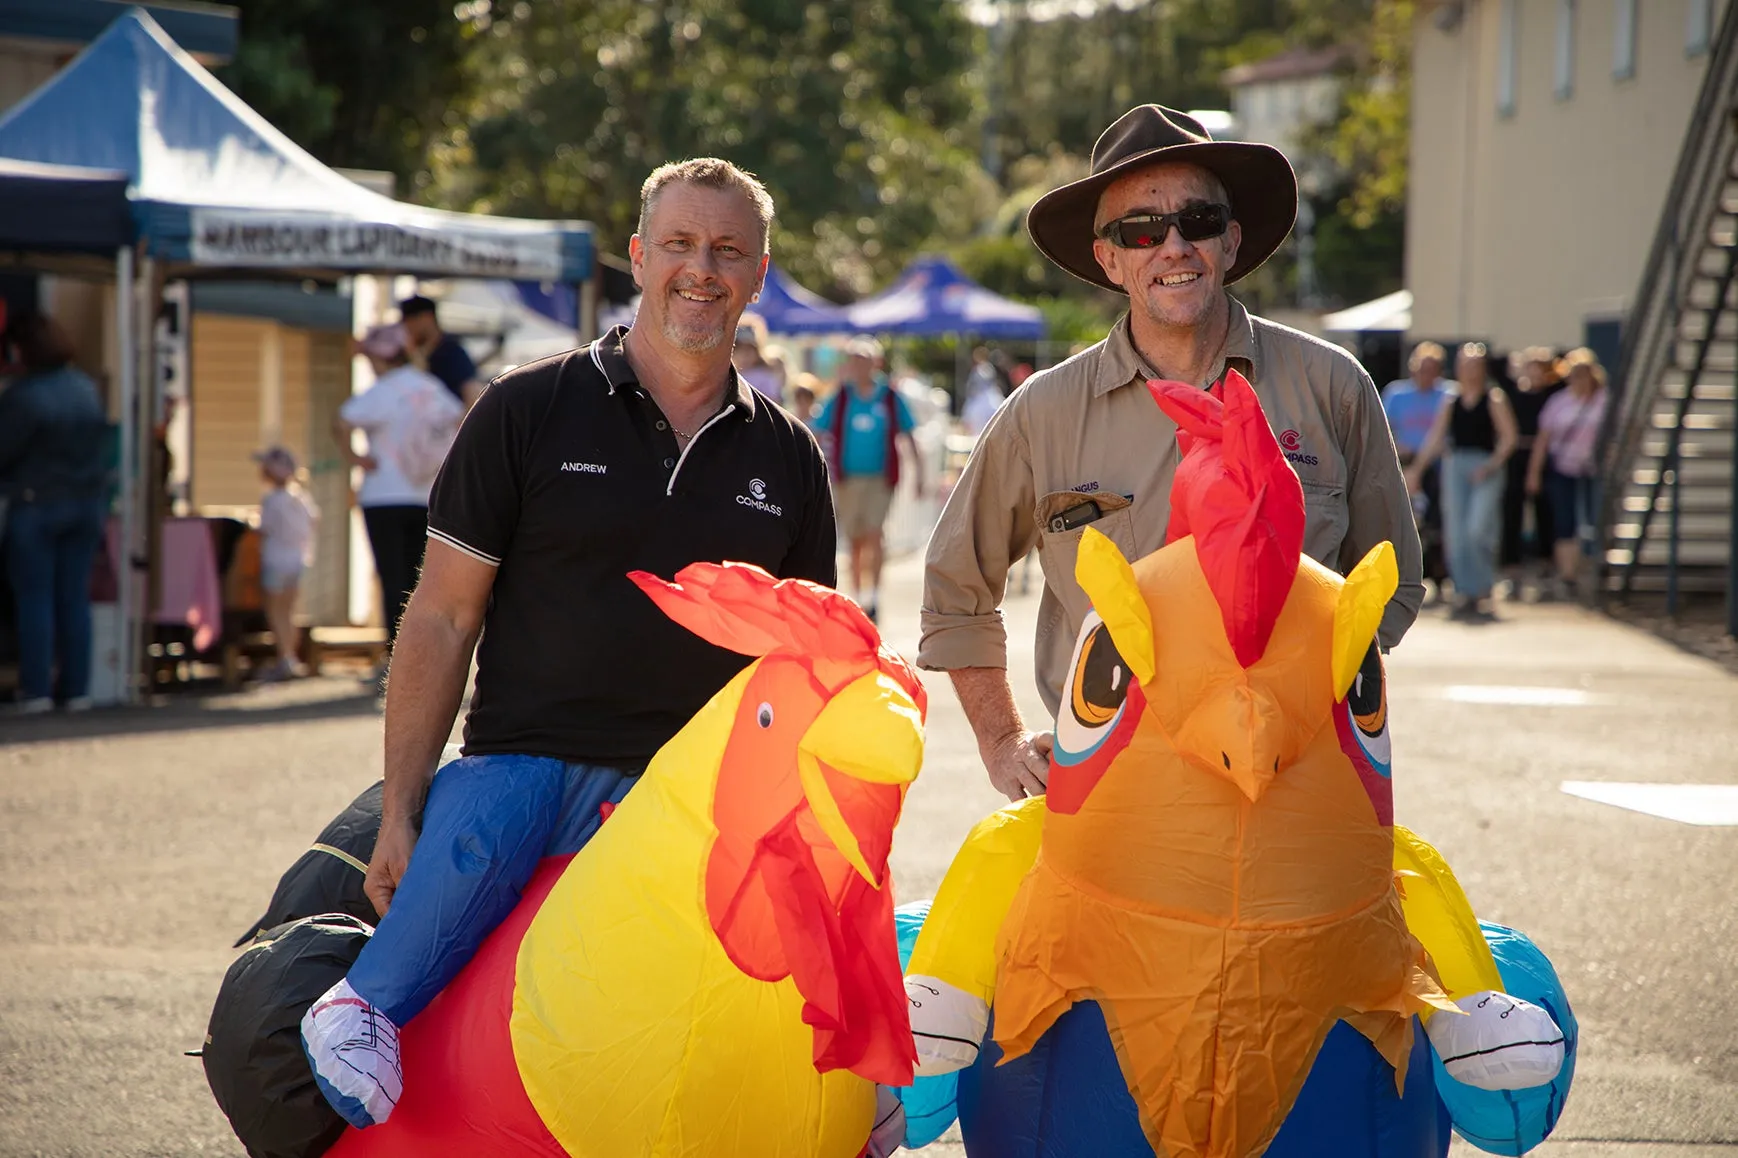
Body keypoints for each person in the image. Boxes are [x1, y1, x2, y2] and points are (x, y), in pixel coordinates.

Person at [301, 157, 837, 1129]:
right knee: (470, 835)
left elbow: (804, 669)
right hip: (521, 762)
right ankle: (361, 1006)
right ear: (638, 256)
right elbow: (441, 615)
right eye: (678, 244)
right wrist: (397, 810)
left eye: (727, 251)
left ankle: (846, 1077)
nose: (700, 270)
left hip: (688, 793)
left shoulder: (790, 456)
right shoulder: (526, 407)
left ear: (760, 274)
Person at [919, 104, 1423, 802]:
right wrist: (1002, 742)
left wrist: (1311, 703)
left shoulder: (1332, 387)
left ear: (1232, 241)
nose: (1174, 246)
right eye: (1142, 230)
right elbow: (955, 590)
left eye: (1200, 221)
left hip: (1292, 782)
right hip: (1114, 792)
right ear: (1109, 258)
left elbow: (1388, 583)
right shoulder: (1044, 412)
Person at [332, 323, 463, 685]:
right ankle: (428, 661)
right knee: (423, 582)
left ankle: (395, 661)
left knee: (393, 579)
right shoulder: (430, 387)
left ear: (380, 356)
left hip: (383, 496)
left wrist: (355, 458)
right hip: (428, 496)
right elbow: (459, 417)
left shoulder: (382, 391)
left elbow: (341, 420)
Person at [0, 314, 109, 715]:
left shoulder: (22, 396)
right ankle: (77, 689)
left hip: (36, 503)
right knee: (73, 598)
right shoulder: (85, 388)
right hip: (86, 503)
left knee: (35, 599)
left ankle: (37, 689)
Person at [1405, 343, 1519, 621]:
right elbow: (1436, 437)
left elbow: (1509, 437)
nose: (1469, 371)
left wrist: (1490, 465)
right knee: (1456, 530)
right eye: (1465, 365)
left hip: (1484, 466)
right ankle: (1464, 590)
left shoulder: (1493, 398)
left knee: (1478, 528)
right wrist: (1417, 471)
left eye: (1475, 365)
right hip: (1455, 466)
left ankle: (1483, 585)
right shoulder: (1451, 399)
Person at [819, 337, 920, 623]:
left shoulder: (888, 396)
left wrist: (922, 474)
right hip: (847, 479)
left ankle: (873, 596)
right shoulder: (841, 397)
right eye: (854, 360)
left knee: (876, 534)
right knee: (856, 540)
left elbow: (908, 433)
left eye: (863, 360)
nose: (858, 366)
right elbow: (817, 429)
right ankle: (860, 594)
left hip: (880, 479)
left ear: (875, 363)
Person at [1527, 347, 1609, 600]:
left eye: (1583, 374)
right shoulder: (1558, 402)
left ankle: (1594, 572)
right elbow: (1543, 440)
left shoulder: (1605, 401)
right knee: (1565, 522)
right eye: (1574, 375)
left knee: (1595, 520)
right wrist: (1534, 473)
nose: (1578, 380)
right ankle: (1568, 576)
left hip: (1594, 470)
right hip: (1562, 468)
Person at [1382, 341, 1455, 597]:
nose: (1425, 375)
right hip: (1404, 462)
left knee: (1437, 521)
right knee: (1402, 519)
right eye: (1421, 369)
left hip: (1438, 465)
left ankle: (1439, 576)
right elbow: (1385, 427)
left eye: (1431, 369)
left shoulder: (1448, 395)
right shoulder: (1396, 394)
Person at [251, 446, 317, 683]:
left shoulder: (271, 500)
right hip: (298, 559)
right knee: (290, 610)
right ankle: (291, 657)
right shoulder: (301, 498)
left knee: (276, 611)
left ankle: (285, 657)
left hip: (276, 559)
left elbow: (263, 529)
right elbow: (313, 522)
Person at [1501, 346, 1565, 591]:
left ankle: (1546, 562)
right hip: (1516, 454)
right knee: (1512, 511)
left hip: (1544, 456)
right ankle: (1511, 566)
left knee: (1545, 511)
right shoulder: (1514, 393)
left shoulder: (1553, 394)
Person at [398, 294, 483, 409]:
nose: (407, 326)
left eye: (411, 320)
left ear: (427, 317)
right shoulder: (405, 353)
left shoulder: (452, 353)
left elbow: (471, 392)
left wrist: (461, 425)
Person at [732, 316, 784, 401]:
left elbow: (773, 401)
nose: (745, 355)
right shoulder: (730, 376)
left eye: (749, 350)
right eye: (740, 350)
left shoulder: (764, 376)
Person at [960, 345, 1005, 436]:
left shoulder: (984, 368)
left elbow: (981, 384)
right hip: (981, 398)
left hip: (985, 398)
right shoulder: (981, 368)